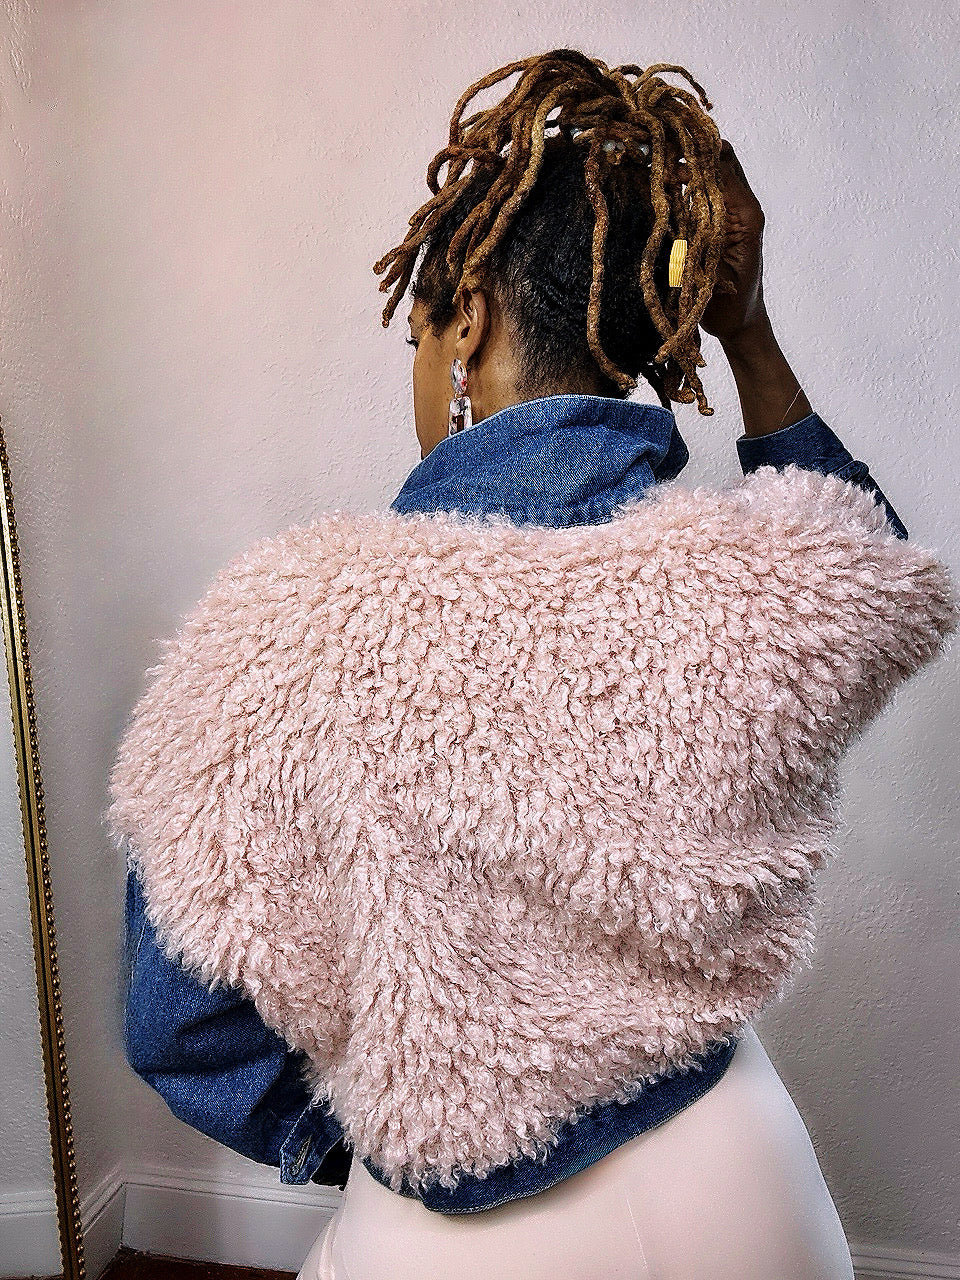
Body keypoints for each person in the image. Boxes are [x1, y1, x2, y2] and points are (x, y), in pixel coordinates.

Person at [111, 50, 952, 1280]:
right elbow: (873, 563)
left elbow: (179, 1021)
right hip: (743, 1185)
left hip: (455, 1237)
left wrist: (362, 1130)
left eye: (419, 336)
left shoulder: (280, 626)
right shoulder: (765, 580)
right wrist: (751, 330)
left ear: (465, 320)